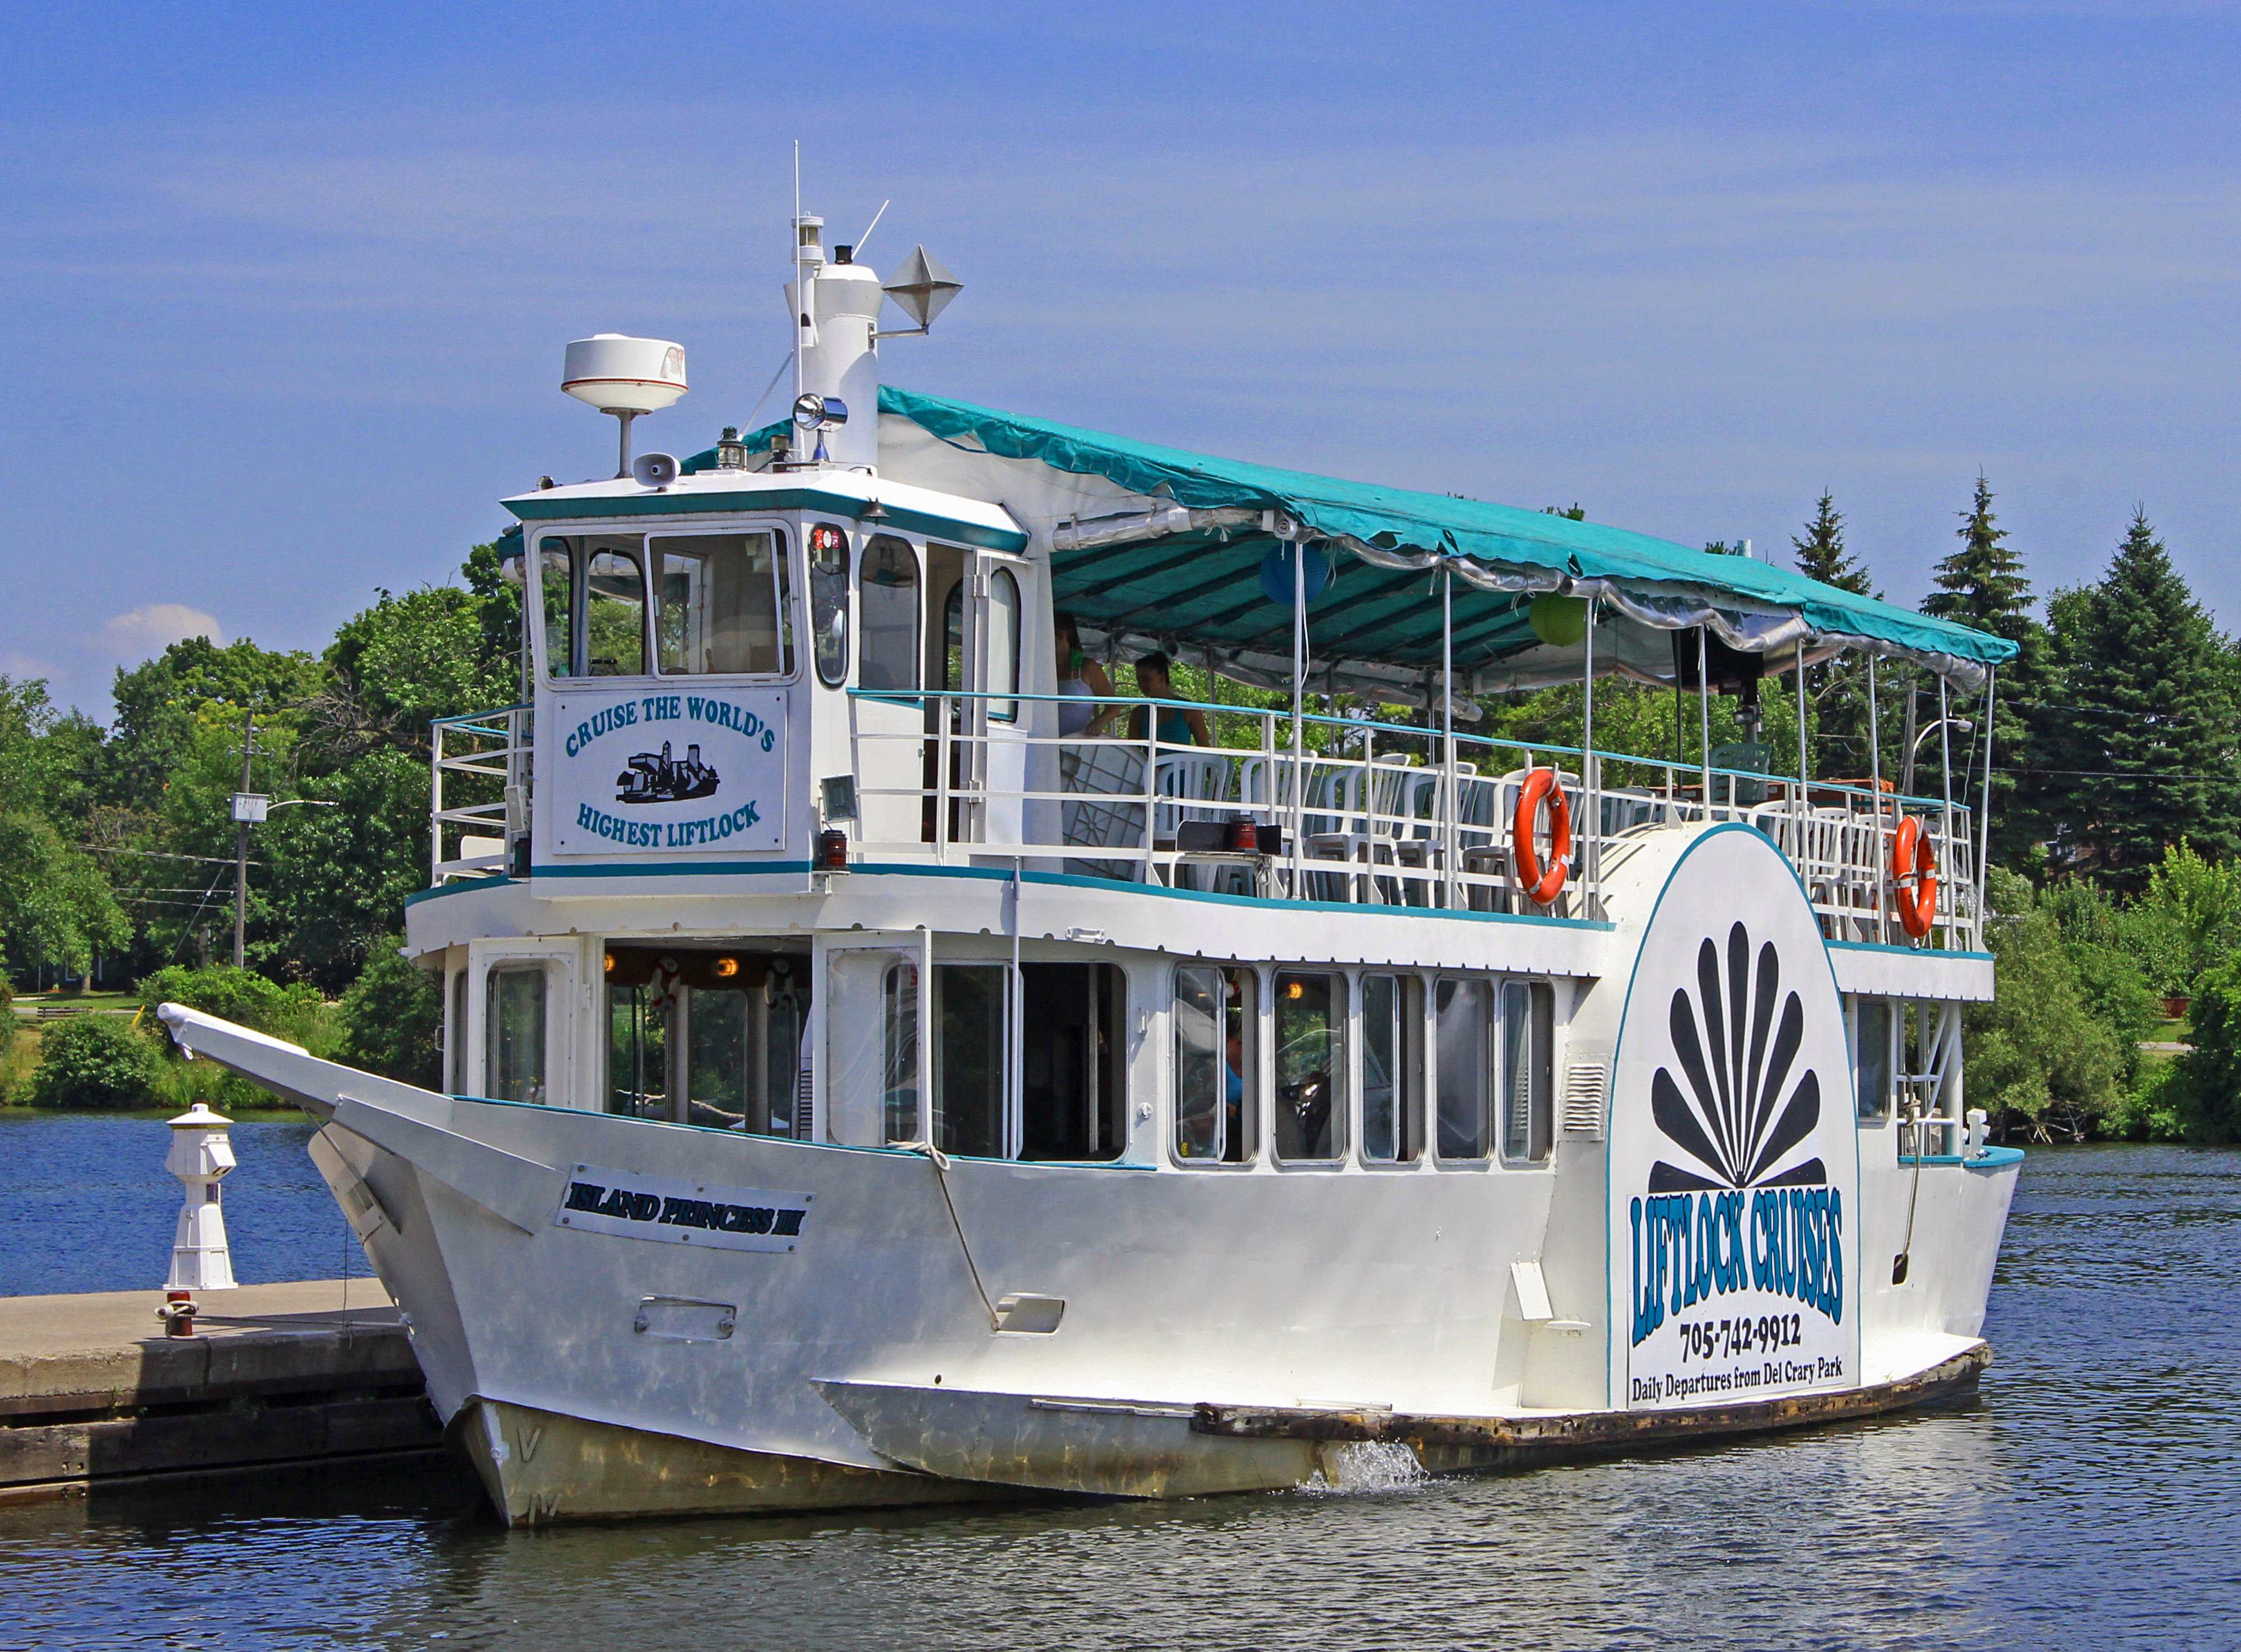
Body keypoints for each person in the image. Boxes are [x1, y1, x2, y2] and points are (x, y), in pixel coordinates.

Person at [1124, 652, 1212, 747]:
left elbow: (1205, 749)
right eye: (1139, 680)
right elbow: (1133, 752)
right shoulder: (1138, 714)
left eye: (1146, 679)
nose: (1141, 684)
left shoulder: (1189, 709)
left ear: (1162, 678)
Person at [1053, 613, 1113, 737]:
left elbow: (1115, 706)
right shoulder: (1039, 668)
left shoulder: (1088, 667)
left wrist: (1099, 723)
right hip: (1042, 743)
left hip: (1076, 748)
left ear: (1062, 636)